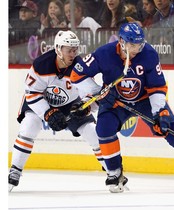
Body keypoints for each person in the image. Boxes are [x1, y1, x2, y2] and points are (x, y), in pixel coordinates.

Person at [70, 22, 174, 193]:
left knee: (171, 130)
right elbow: (77, 75)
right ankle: (114, 173)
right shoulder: (104, 53)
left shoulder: (148, 54)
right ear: (121, 41)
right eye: (132, 45)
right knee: (104, 128)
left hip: (144, 100)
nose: (136, 49)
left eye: (139, 45)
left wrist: (159, 112)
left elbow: (157, 87)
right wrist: (100, 92)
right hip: (115, 101)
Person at [8, 30, 111, 192]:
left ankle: (112, 172)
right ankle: (15, 169)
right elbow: (32, 93)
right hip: (40, 100)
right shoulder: (41, 64)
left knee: (92, 132)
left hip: (70, 103)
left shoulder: (80, 68)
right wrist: (47, 113)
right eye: (69, 49)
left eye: (75, 49)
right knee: (30, 125)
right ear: (57, 49)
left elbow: (94, 96)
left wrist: (85, 107)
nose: (73, 53)